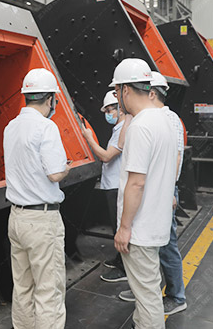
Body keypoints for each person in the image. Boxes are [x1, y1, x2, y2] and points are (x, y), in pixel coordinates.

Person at [111, 59, 178, 329]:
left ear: (125, 90)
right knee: (148, 290)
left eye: (116, 91)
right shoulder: (165, 121)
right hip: (156, 223)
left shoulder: (140, 127)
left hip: (140, 229)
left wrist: (124, 227)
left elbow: (136, 183)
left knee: (147, 296)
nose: (117, 98)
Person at [4, 68, 71, 329]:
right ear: (51, 99)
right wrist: (66, 168)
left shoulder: (11, 127)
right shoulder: (46, 127)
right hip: (42, 221)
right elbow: (54, 174)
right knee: (48, 291)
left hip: (16, 218)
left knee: (22, 287)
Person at [80, 91, 129, 283]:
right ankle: (120, 258)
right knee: (116, 226)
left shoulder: (124, 129)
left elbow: (106, 156)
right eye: (106, 111)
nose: (108, 114)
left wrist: (89, 138)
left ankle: (125, 268)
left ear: (120, 109)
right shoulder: (118, 129)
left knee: (119, 227)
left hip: (117, 186)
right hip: (112, 185)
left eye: (110, 110)